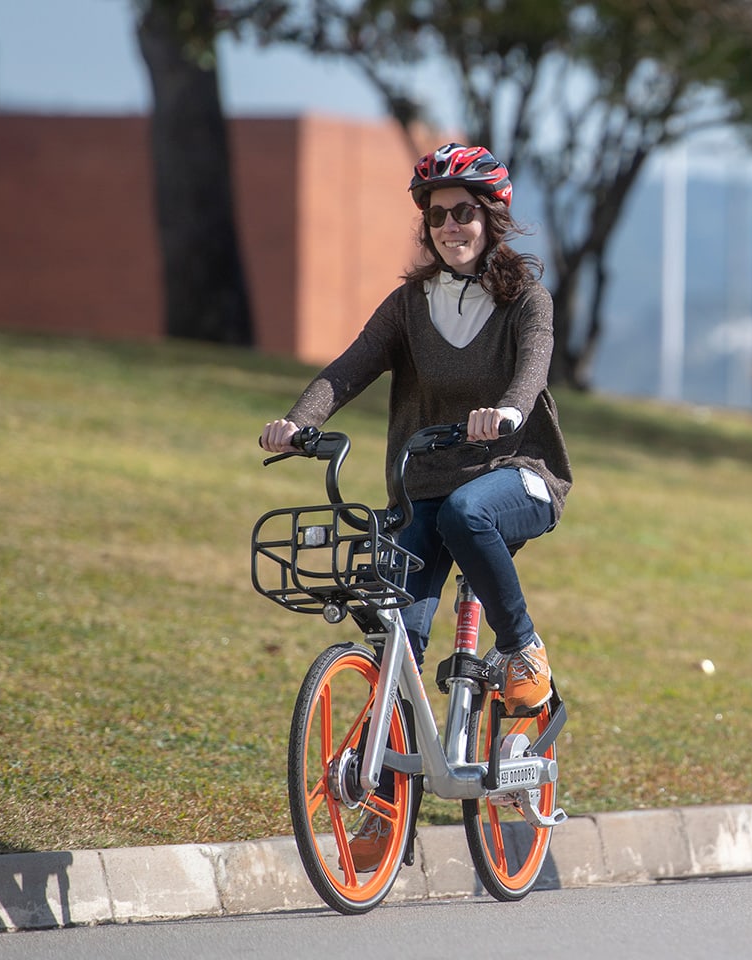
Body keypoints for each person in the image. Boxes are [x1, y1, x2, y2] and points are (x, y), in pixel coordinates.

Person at [260, 143, 572, 860]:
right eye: (437, 216)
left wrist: (510, 413)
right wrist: (301, 420)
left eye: (464, 213)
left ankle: (524, 653)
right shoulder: (410, 305)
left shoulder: (527, 298)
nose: (449, 226)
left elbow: (532, 367)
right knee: (394, 630)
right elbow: (348, 368)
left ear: (492, 218)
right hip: (425, 488)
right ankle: (381, 804)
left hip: (520, 472)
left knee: (471, 515)